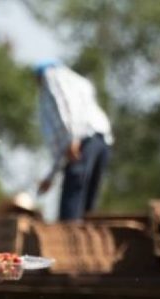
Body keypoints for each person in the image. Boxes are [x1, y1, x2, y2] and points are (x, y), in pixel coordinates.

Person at [34, 61, 114, 221]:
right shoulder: (80, 82)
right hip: (102, 140)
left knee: (72, 196)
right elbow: (61, 148)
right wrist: (51, 176)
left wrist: (73, 138)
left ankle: (68, 240)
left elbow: (65, 104)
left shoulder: (52, 76)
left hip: (82, 139)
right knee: (87, 203)